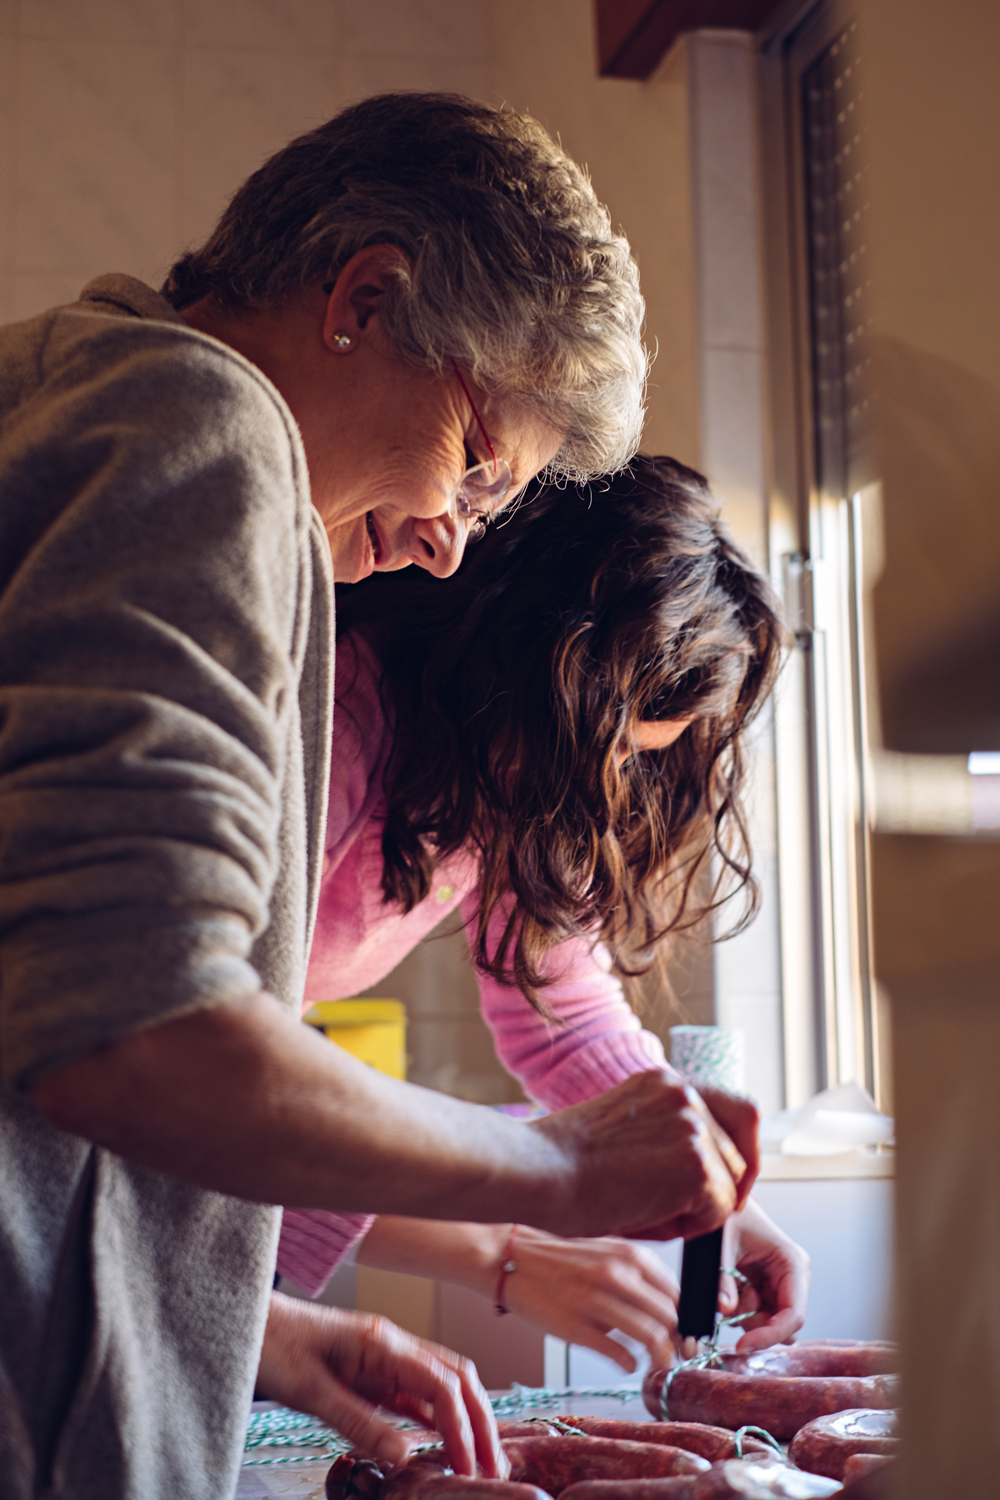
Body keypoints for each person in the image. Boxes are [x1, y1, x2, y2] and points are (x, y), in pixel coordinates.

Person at [0, 94, 753, 1500]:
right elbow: (132, 1037)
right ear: (365, 295)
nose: (451, 543)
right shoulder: (203, 421)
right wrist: (562, 1177)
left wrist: (260, 1332)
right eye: (473, 461)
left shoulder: (63, 383)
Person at [272, 457, 809, 1434]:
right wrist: (501, 1252)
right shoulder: (333, 724)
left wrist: (719, 1201)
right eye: (600, 745)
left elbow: (564, 1013)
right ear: (526, 665)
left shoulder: (504, 774)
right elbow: (210, 1077)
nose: (596, 786)